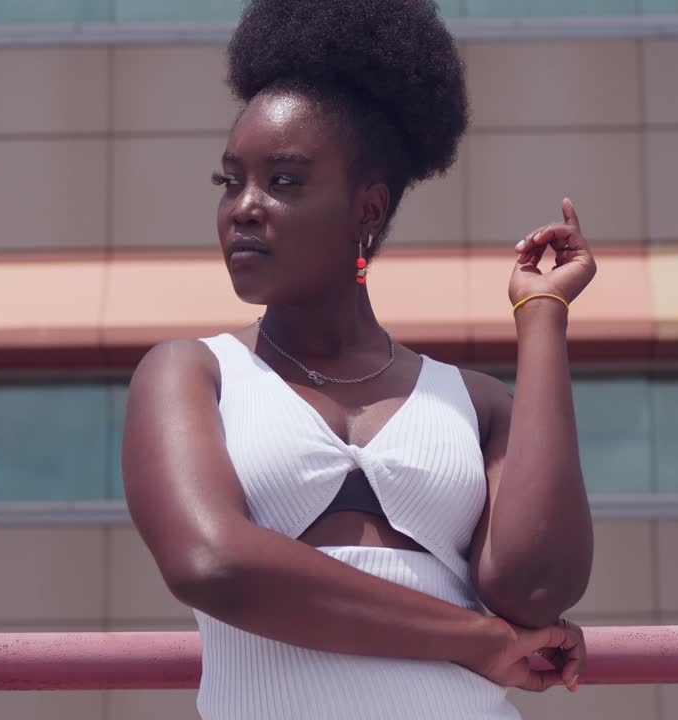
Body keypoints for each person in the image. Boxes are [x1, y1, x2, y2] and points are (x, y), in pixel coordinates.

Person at [121, 1, 596, 717]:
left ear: (367, 209)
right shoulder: (192, 375)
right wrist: (471, 638)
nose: (243, 208)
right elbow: (211, 562)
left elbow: (537, 591)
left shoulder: (475, 403)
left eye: (283, 181)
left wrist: (542, 318)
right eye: (230, 182)